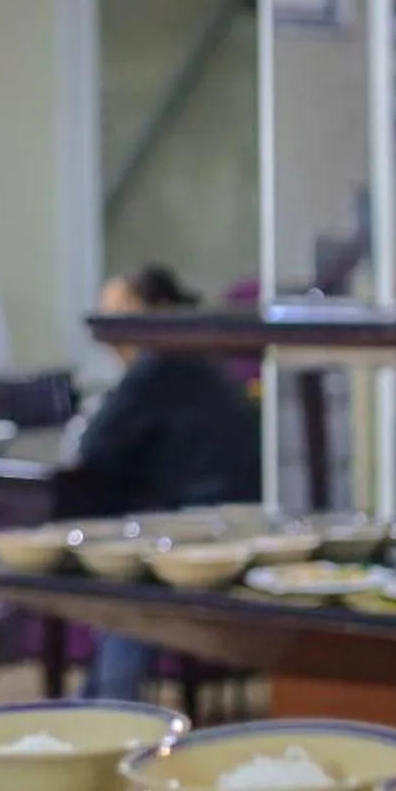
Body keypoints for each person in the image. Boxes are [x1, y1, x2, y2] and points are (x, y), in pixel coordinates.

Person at [71, 264, 263, 700]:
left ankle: (114, 713)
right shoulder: (199, 352)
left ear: (149, 312)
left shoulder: (160, 360)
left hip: (205, 523)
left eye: (119, 317)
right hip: (237, 514)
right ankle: (94, 702)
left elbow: (94, 447)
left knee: (127, 587)